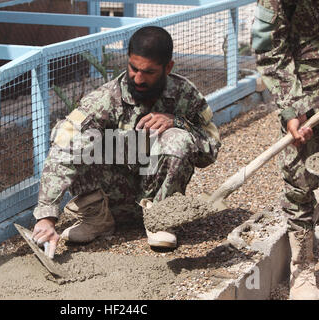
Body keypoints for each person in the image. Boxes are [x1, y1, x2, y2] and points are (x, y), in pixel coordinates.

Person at [31, 26, 221, 258]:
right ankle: (96, 219)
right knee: (72, 134)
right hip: (108, 201)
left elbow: (210, 150)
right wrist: (46, 217)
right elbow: (65, 146)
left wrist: (178, 122)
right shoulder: (106, 98)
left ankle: (159, 222)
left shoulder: (185, 95)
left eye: (149, 72)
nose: (138, 79)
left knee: (178, 138)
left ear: (168, 68)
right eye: (133, 68)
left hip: (157, 201)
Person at [252, 0, 319, 300]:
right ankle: (303, 266)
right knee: (299, 177)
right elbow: (269, 44)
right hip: (306, 89)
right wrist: (291, 106)